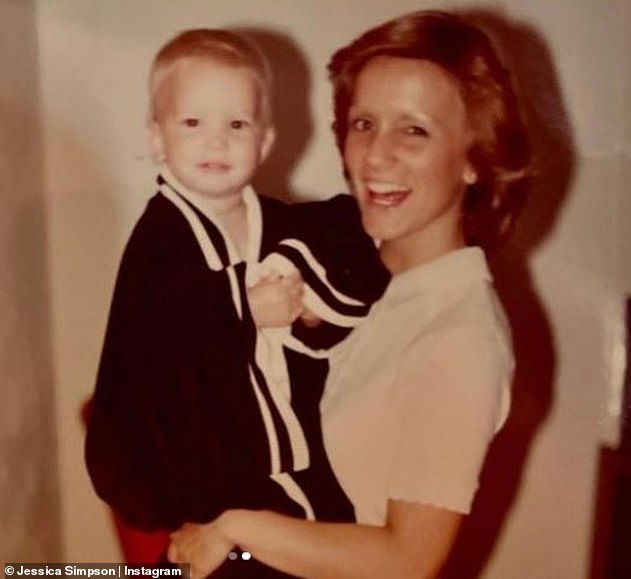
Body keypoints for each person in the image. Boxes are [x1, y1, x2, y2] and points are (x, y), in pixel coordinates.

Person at [168, 10, 531, 579]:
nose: (375, 155)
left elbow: (408, 559)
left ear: (474, 158)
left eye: (414, 129)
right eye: (364, 123)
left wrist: (236, 527)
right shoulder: (344, 268)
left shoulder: (462, 336)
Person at [84, 28, 389, 576]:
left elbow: (349, 239)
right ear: (157, 136)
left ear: (265, 141)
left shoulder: (280, 224)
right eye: (193, 124)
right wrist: (244, 304)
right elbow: (158, 326)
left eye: (237, 125)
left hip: (291, 470)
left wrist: (311, 310)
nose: (216, 142)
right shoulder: (160, 238)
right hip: (207, 478)